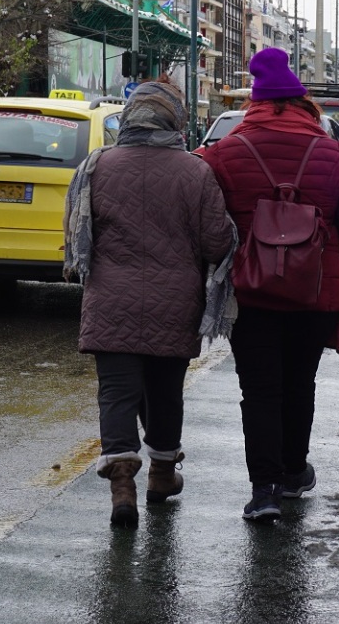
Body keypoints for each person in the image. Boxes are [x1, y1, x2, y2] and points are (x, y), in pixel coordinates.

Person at [200, 47, 339, 523]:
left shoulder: (226, 152)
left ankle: (264, 491)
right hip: (313, 290)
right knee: (301, 382)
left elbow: (203, 216)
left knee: (259, 390)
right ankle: (295, 473)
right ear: (301, 101)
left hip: (251, 290)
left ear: (255, 102)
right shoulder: (332, 152)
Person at [63, 80, 236, 530]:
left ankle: (122, 487)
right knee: (164, 392)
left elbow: (81, 235)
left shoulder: (97, 167)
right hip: (174, 303)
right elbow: (217, 242)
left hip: (110, 300)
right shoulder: (195, 172)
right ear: (175, 119)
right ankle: (161, 476)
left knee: (117, 392)